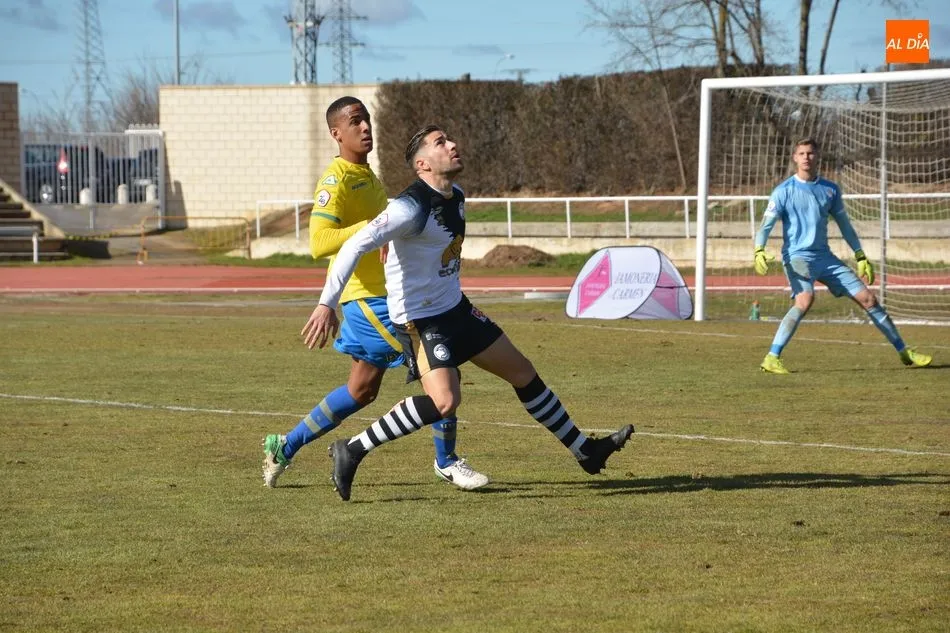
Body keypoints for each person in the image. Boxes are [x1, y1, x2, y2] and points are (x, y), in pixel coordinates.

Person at [301, 124, 634, 501]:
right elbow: (352, 247)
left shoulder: (456, 194)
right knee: (445, 401)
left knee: (523, 373)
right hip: (420, 320)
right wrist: (327, 302)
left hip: (457, 310)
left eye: (450, 138)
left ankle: (584, 452)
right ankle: (353, 449)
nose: (453, 144)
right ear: (422, 163)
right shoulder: (408, 206)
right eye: (441, 143)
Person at [262, 98, 489, 491]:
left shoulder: (368, 175)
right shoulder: (337, 180)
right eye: (355, 122)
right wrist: (371, 229)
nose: (365, 127)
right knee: (440, 364)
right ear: (337, 134)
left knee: (361, 391)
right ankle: (447, 460)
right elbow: (319, 242)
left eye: (366, 119)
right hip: (368, 300)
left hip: (388, 295)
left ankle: (285, 446)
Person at [753, 137, 933, 374]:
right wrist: (759, 250)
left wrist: (860, 255)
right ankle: (772, 357)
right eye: (802, 153)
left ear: (817, 157)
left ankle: (904, 352)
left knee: (868, 299)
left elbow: (845, 225)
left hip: (825, 258)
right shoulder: (783, 191)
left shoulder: (830, 190)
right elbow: (766, 226)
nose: (806, 157)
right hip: (797, 257)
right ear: (795, 158)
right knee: (805, 300)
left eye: (811, 153)